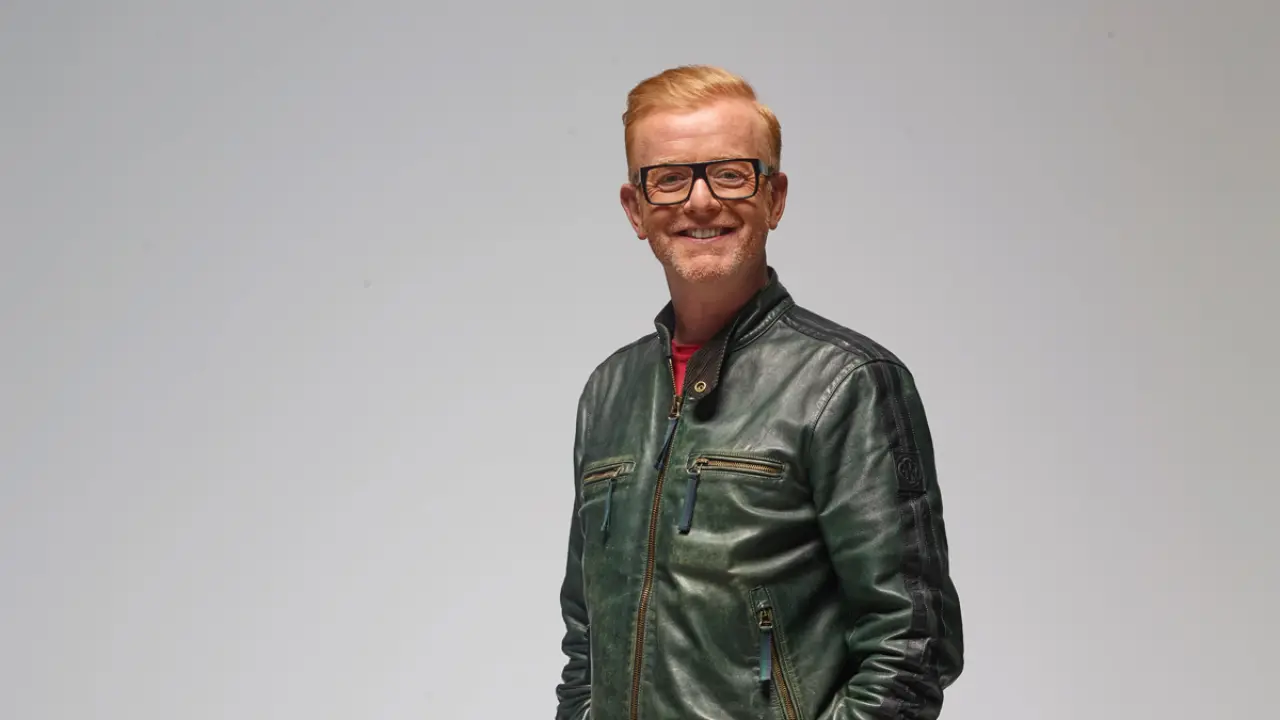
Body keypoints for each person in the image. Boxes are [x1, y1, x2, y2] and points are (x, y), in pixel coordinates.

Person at [554, 64, 964, 720]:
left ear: (774, 197)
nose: (700, 201)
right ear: (636, 209)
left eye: (730, 173)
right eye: (669, 179)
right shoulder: (609, 393)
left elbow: (912, 647)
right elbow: (586, 644)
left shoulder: (845, 384)